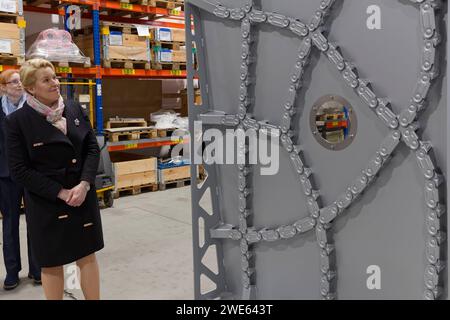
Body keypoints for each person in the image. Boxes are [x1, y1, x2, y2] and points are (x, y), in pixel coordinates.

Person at [4, 59, 104, 300]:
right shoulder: (17, 122)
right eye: (46, 80)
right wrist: (60, 192)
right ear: (30, 88)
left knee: (87, 254)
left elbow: (92, 148)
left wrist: (84, 184)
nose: (55, 83)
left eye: (55, 77)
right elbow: (19, 170)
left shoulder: (74, 109)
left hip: (82, 196)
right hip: (47, 202)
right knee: (51, 261)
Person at [0, 69, 41, 290]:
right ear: (3, 87)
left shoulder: (33, 107)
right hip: (5, 175)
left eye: (19, 81)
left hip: (31, 173)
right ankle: (12, 272)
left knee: (34, 220)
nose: (18, 85)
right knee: (9, 223)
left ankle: (36, 268)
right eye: (12, 82)